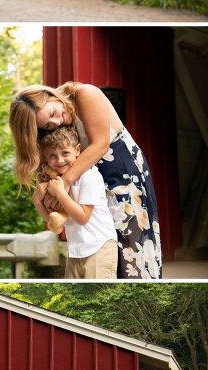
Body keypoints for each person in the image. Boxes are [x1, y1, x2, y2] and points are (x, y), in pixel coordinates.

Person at [9, 82, 162, 280]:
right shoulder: (50, 126)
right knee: (101, 243)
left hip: (122, 172)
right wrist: (50, 194)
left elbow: (100, 144)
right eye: (47, 125)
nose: (56, 123)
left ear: (51, 95)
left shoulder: (85, 94)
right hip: (85, 175)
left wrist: (64, 183)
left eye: (54, 113)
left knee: (132, 246)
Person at [33, 127, 118, 278]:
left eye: (65, 153)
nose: (59, 160)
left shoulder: (89, 175)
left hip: (99, 247)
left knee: (98, 294)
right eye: (52, 156)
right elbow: (57, 227)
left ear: (77, 150)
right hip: (75, 251)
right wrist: (38, 201)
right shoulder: (56, 183)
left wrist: (60, 193)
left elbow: (83, 217)